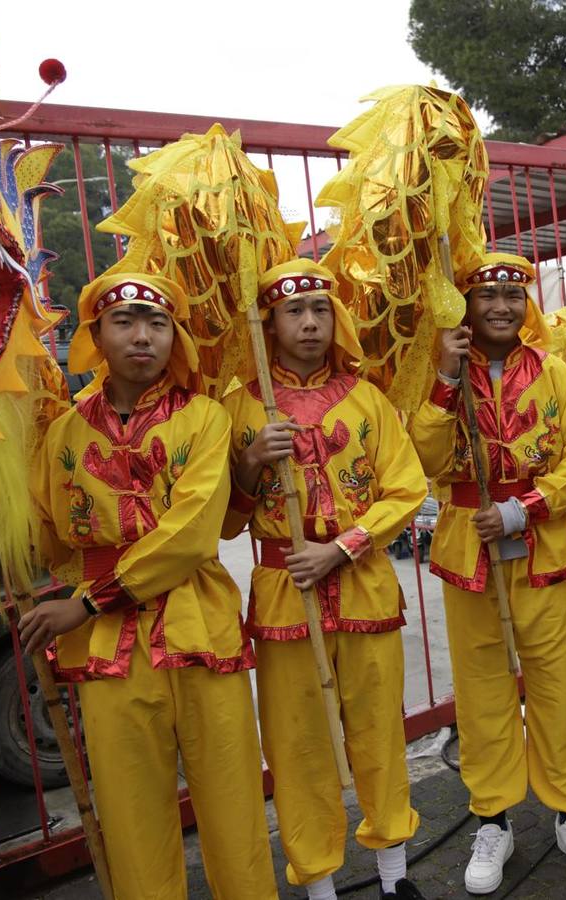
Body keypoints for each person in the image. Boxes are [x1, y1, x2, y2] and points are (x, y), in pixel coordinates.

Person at [18, 271, 278, 899]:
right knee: (130, 811)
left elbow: (192, 534)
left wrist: (87, 601)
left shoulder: (205, 419)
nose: (142, 336)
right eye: (125, 321)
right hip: (109, 652)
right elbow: (49, 537)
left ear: (175, 338)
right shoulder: (62, 435)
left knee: (232, 797)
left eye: (157, 323)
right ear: (96, 337)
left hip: (197, 627)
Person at [221, 259, 428, 900]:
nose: (309, 324)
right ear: (269, 322)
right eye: (293, 312)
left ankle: (395, 879)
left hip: (362, 584)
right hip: (286, 594)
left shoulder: (368, 399)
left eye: (318, 310)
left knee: (379, 735)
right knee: (297, 747)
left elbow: (406, 489)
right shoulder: (239, 407)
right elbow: (225, 523)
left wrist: (340, 547)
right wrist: (252, 463)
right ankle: (321, 888)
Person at [409, 252, 566, 893]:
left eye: (512, 294)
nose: (500, 305)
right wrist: (444, 378)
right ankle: (492, 817)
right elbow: (426, 456)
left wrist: (522, 510)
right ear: (463, 305)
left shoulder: (554, 374)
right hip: (469, 552)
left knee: (556, 684)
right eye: (486, 294)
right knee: (483, 692)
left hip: (542, 549)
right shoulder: (439, 375)